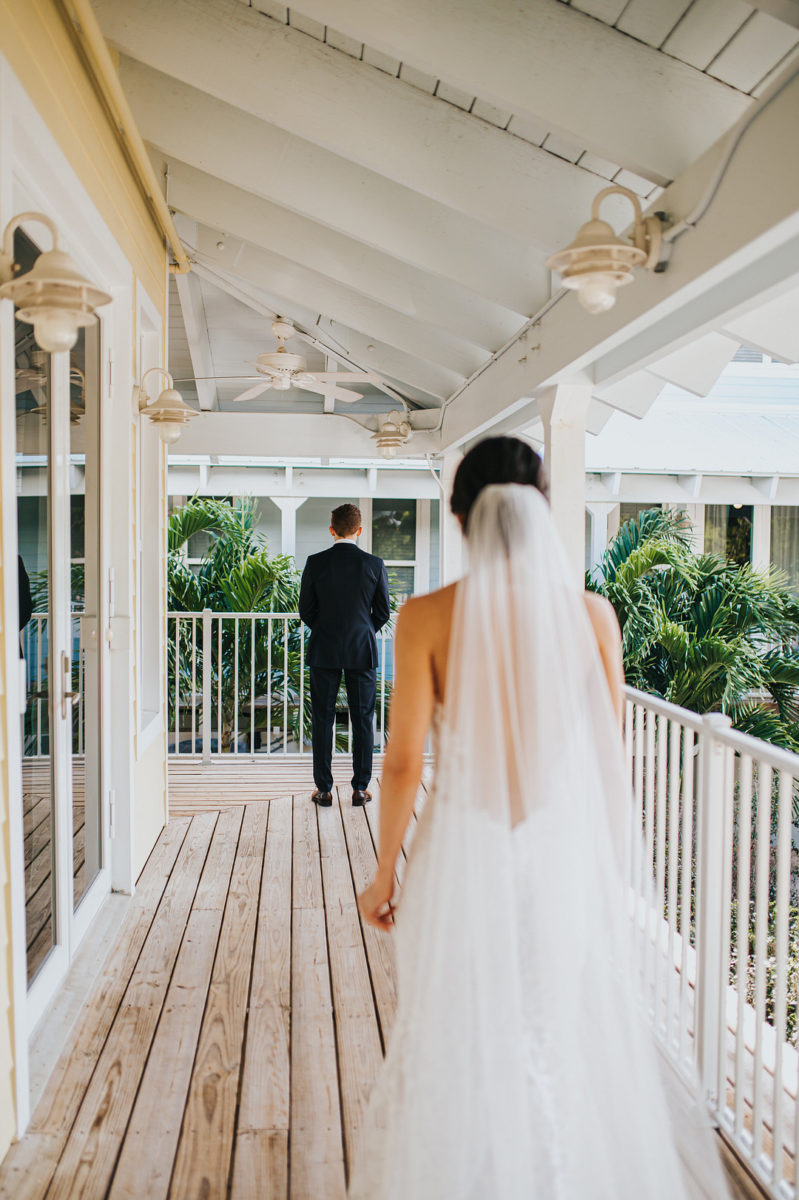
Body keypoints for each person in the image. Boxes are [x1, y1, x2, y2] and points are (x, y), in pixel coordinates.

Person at [349, 437, 729, 1198]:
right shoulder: (592, 614)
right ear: (541, 510)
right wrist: (601, 863)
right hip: (557, 853)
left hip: (463, 851)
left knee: (460, 1037)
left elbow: (398, 765)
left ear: (459, 517)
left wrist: (385, 870)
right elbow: (606, 754)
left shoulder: (426, 617)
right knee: (554, 1035)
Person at [299, 503, 390, 808]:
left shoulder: (315, 562)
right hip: (361, 651)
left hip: (323, 649)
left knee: (323, 718)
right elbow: (383, 612)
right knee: (363, 719)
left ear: (332, 529)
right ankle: (360, 789)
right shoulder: (374, 564)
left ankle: (324, 790)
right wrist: (363, 630)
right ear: (359, 530)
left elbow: (306, 610)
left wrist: (324, 629)